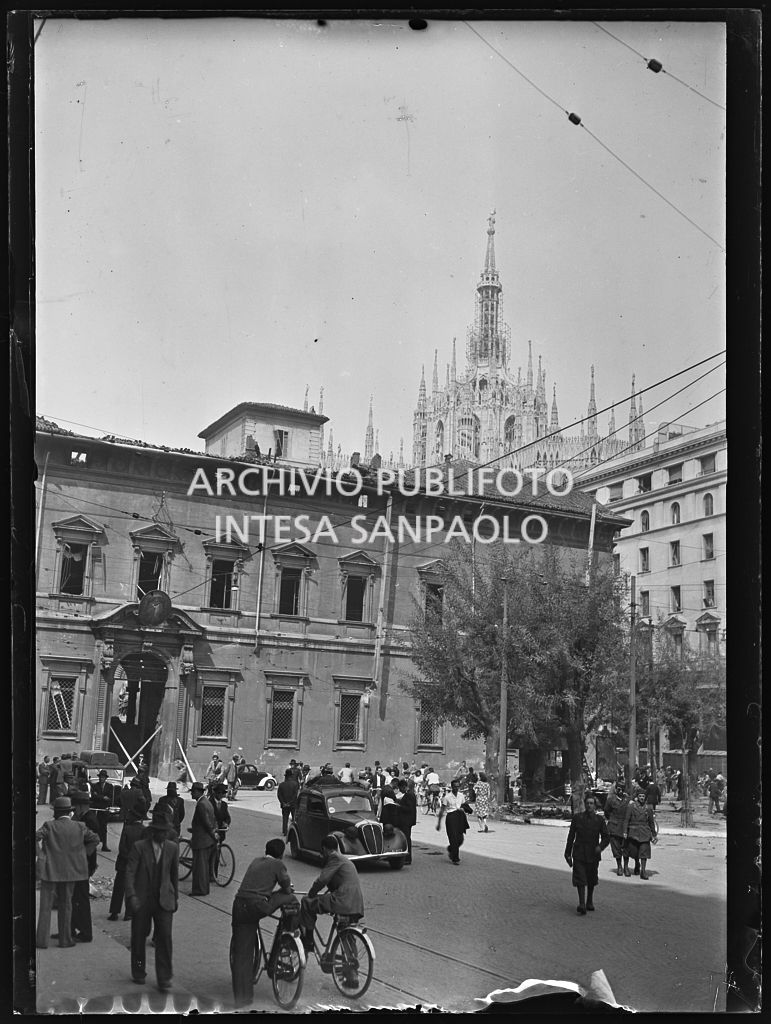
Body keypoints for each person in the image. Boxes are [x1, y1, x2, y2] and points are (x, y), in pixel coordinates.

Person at [230, 838, 300, 1007]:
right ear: (281, 854)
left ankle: (241, 998)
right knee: (290, 897)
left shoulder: (255, 861)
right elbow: (286, 887)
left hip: (239, 905)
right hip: (257, 905)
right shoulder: (278, 864)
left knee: (241, 955)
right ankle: (290, 931)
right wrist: (285, 889)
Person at [125, 805, 179, 990]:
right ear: (153, 831)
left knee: (165, 937)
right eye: (161, 832)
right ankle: (139, 972)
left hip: (164, 900)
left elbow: (174, 875)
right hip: (142, 900)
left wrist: (175, 898)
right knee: (139, 937)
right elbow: (129, 873)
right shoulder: (139, 847)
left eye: (166, 832)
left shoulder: (172, 848)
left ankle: (164, 978)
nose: (164, 835)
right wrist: (131, 895)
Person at [36, 796, 99, 949]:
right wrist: (83, 854)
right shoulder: (79, 826)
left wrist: (41, 855)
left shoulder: (49, 826)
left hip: (50, 871)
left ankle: (41, 941)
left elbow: (35, 837)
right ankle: (65, 940)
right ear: (69, 811)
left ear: (56, 812)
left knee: (45, 907)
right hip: (71, 872)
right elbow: (95, 839)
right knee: (66, 906)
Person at [297, 835, 364, 954]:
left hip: (343, 900)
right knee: (346, 932)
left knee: (307, 902)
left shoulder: (334, 858)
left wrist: (311, 894)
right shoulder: (345, 860)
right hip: (356, 904)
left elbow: (322, 880)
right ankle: (351, 962)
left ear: (324, 849)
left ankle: (308, 941)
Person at [564, 794, 610, 915]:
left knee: (591, 878)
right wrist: (567, 853)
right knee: (580, 878)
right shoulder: (577, 818)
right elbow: (571, 837)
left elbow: (606, 837)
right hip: (579, 852)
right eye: (587, 803)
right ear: (584, 804)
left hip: (593, 853)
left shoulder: (599, 820)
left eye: (591, 803)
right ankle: (582, 904)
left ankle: (589, 901)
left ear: (595, 806)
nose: (589, 805)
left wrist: (600, 847)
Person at [69, 791, 101, 942]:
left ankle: (85, 932)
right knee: (75, 897)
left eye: (75, 807)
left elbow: (91, 842)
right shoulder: (84, 817)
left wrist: (81, 856)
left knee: (81, 898)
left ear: (81, 806)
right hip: (82, 863)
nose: (74, 810)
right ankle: (72, 928)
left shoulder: (89, 820)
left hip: (84, 864)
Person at [108, 799, 147, 920]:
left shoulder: (127, 829)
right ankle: (129, 913)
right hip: (136, 865)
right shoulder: (144, 830)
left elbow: (121, 847)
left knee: (118, 888)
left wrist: (127, 856)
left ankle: (114, 912)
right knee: (132, 888)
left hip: (123, 863)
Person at [189, 781, 218, 896]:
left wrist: (212, 833)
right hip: (206, 840)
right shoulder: (207, 802)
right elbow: (212, 819)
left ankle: (199, 890)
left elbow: (206, 822)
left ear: (198, 792)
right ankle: (204, 889)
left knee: (199, 867)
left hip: (201, 840)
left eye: (193, 792)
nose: (191, 794)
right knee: (204, 866)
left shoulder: (201, 804)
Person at [623, 789, 658, 879]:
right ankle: (626, 867)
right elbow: (626, 819)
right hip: (633, 831)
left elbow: (651, 822)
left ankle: (643, 871)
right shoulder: (631, 806)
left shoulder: (648, 808)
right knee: (631, 851)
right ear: (637, 797)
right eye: (640, 796)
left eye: (643, 796)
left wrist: (654, 834)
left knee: (644, 852)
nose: (642, 798)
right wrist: (625, 831)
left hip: (644, 832)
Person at [436, 778, 471, 865]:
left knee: (460, 839)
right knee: (453, 838)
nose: (456, 788)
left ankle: (451, 848)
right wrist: (439, 823)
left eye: (458, 786)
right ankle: (455, 858)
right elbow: (442, 810)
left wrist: (464, 809)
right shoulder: (447, 797)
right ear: (451, 787)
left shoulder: (461, 796)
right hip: (451, 817)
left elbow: (464, 805)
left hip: (460, 817)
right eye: (455, 787)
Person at [603, 782, 631, 876]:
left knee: (626, 848)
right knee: (616, 848)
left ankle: (626, 867)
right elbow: (606, 812)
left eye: (622, 789)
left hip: (625, 827)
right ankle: (619, 866)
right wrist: (612, 819)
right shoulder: (611, 800)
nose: (620, 791)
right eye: (618, 789)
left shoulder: (628, 800)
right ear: (615, 789)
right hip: (614, 827)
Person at [210, 783, 232, 878]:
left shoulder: (224, 805)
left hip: (220, 832)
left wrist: (226, 823)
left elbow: (227, 817)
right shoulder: (209, 803)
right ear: (215, 793)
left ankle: (214, 875)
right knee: (210, 854)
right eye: (219, 793)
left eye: (222, 793)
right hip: (211, 833)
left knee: (217, 855)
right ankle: (209, 874)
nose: (220, 795)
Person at [90, 769, 114, 850]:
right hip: (96, 809)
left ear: (105, 778)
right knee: (95, 826)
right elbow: (94, 796)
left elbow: (110, 797)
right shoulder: (95, 786)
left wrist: (99, 796)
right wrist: (103, 797)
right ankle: (94, 844)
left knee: (104, 827)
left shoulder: (109, 786)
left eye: (103, 777)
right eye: (100, 777)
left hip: (105, 809)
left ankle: (104, 845)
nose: (101, 778)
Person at [396, 778, 417, 864]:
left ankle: (407, 858)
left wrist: (399, 806)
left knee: (406, 838)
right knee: (407, 838)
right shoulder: (410, 794)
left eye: (400, 788)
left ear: (403, 787)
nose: (400, 790)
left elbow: (409, 808)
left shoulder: (409, 795)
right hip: (408, 820)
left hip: (406, 820)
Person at [277, 769, 300, 836]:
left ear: (286, 776)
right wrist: (290, 802)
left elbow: (279, 795)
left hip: (284, 805)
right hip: (293, 804)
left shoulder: (281, 785)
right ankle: (294, 832)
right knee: (294, 818)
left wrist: (283, 802)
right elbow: (295, 795)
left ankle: (285, 831)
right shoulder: (295, 784)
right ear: (291, 776)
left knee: (285, 818)